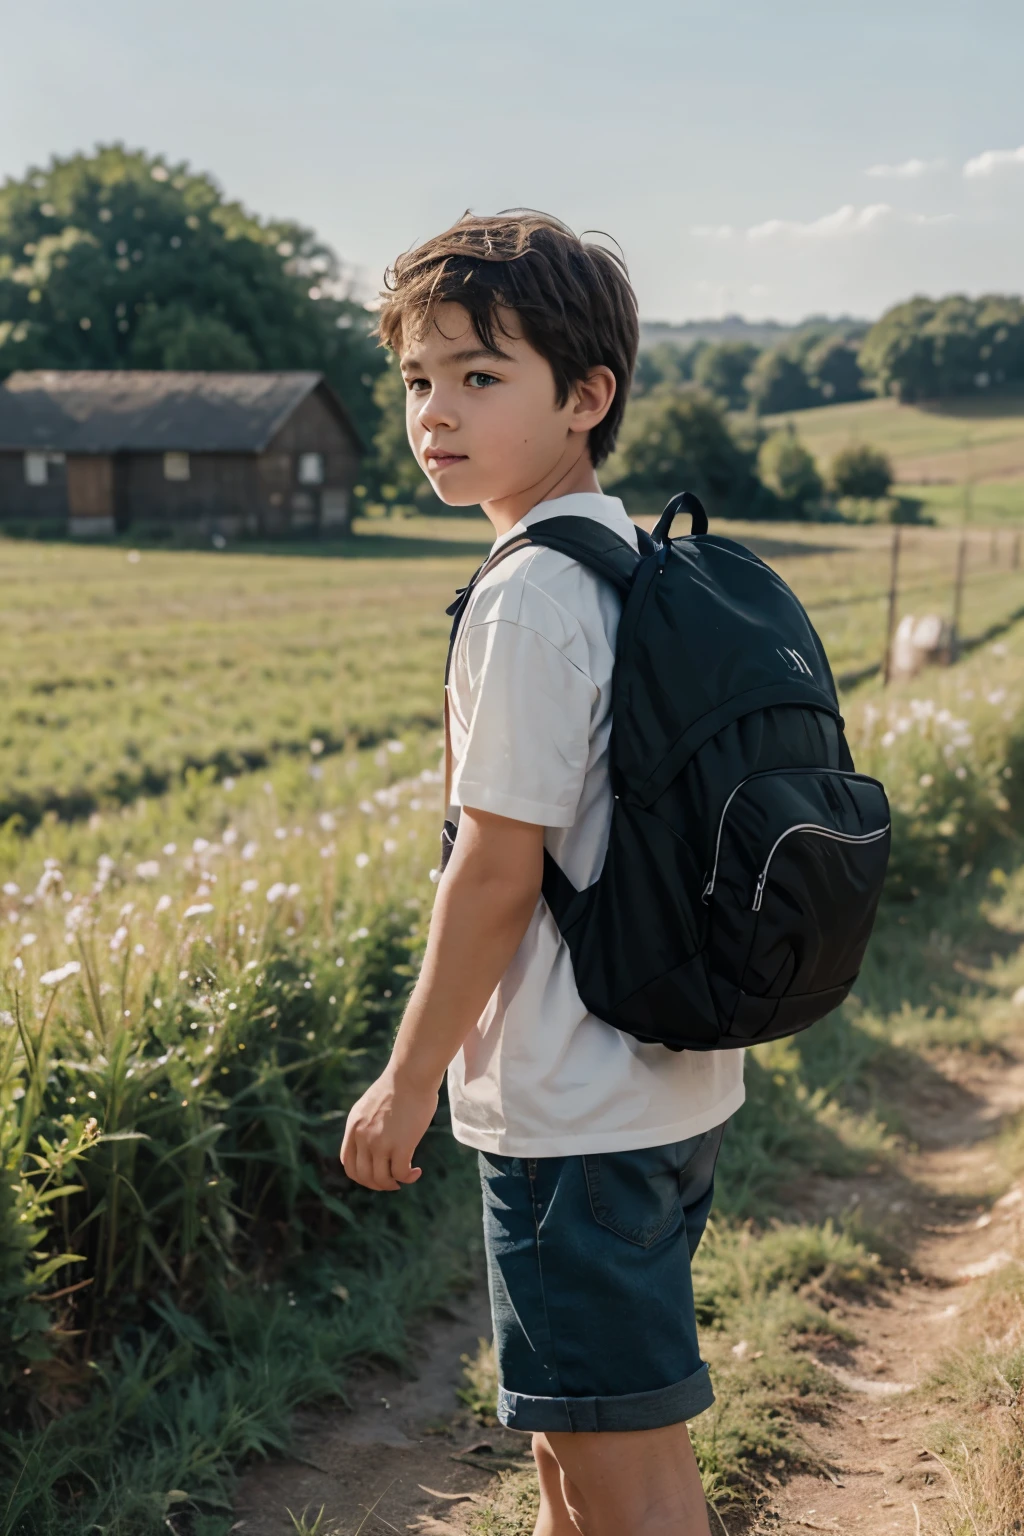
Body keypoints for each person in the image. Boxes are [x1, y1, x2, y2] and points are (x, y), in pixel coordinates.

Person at [341, 211, 745, 1536]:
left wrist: (407, 1083)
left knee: (624, 1479)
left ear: (586, 396)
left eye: (479, 375)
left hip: (577, 1112)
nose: (435, 412)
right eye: (416, 380)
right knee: (580, 1457)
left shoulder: (528, 595)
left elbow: (497, 871)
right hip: (658, 1081)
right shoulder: (622, 561)